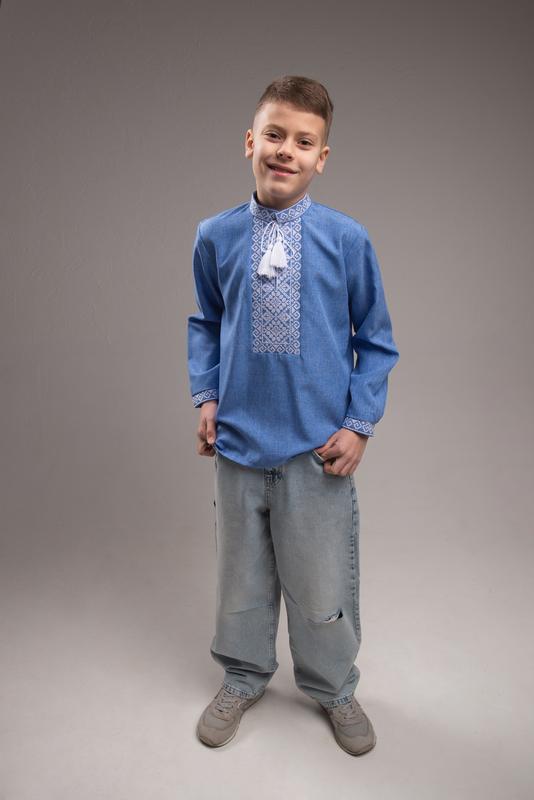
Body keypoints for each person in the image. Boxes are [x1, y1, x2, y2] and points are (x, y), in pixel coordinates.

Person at [187, 75, 400, 756]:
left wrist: (359, 425)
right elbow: (205, 322)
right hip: (239, 446)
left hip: (317, 451)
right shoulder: (215, 236)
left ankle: (334, 686)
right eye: (274, 135)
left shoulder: (347, 239)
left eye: (303, 142)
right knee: (241, 581)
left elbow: (376, 341)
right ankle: (243, 675)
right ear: (250, 142)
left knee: (320, 583)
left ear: (322, 157)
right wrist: (207, 397)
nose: (286, 150)